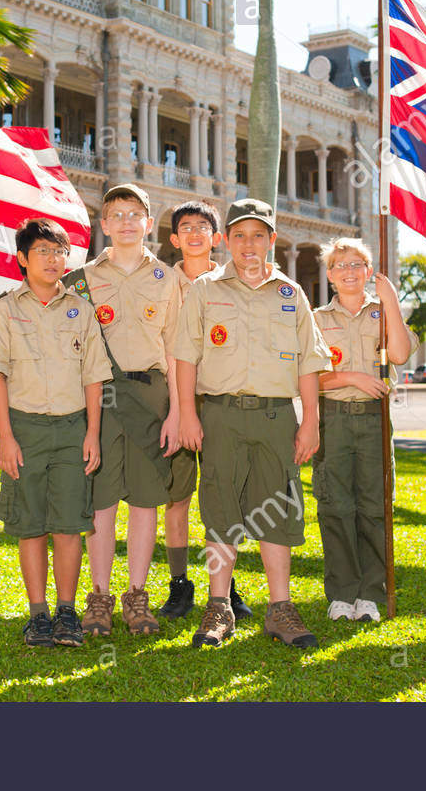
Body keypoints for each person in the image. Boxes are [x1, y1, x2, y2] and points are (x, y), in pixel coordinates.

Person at [175, 198, 333, 649]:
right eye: (240, 235)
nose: (248, 244)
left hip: (276, 417)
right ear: (225, 240)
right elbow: (186, 355)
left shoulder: (292, 294)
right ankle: (219, 606)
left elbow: (310, 362)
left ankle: (279, 608)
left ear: (272, 240)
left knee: (277, 508)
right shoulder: (204, 289)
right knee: (221, 507)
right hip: (220, 415)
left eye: (258, 235)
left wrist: (311, 423)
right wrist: (188, 412)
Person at [0, 218, 112, 648]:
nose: (54, 259)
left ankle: (66, 612)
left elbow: (93, 375)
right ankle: (37, 614)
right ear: (22, 258)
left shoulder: (80, 309)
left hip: (73, 428)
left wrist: (92, 432)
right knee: (30, 525)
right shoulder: (4, 309)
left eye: (60, 252)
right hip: (24, 427)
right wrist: (5, 436)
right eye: (44, 251)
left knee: (67, 525)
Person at [64, 184, 181, 636]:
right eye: (117, 215)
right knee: (102, 501)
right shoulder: (81, 280)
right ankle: (99, 597)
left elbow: (175, 349)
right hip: (101, 398)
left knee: (146, 501)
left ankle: (136, 596)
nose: (127, 222)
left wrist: (176, 411)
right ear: (105, 225)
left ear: (148, 224)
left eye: (136, 214)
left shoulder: (168, 279)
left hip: (151, 396)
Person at [312, 237, 416, 624]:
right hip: (333, 418)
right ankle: (342, 593)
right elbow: (307, 379)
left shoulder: (384, 313)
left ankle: (371, 594)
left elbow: (401, 354)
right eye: (341, 265)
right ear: (330, 275)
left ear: (369, 272)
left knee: (374, 505)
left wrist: (389, 300)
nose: (349, 271)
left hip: (374, 419)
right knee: (335, 505)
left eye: (358, 264)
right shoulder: (317, 319)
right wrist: (353, 376)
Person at [156, 201, 249, 620]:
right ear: (174, 239)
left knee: (224, 497)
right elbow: (165, 350)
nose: (194, 234)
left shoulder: (234, 282)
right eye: (185, 227)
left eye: (203, 227)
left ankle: (226, 587)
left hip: (220, 402)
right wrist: (177, 412)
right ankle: (180, 585)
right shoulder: (160, 284)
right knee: (176, 499)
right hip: (174, 403)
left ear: (216, 238)